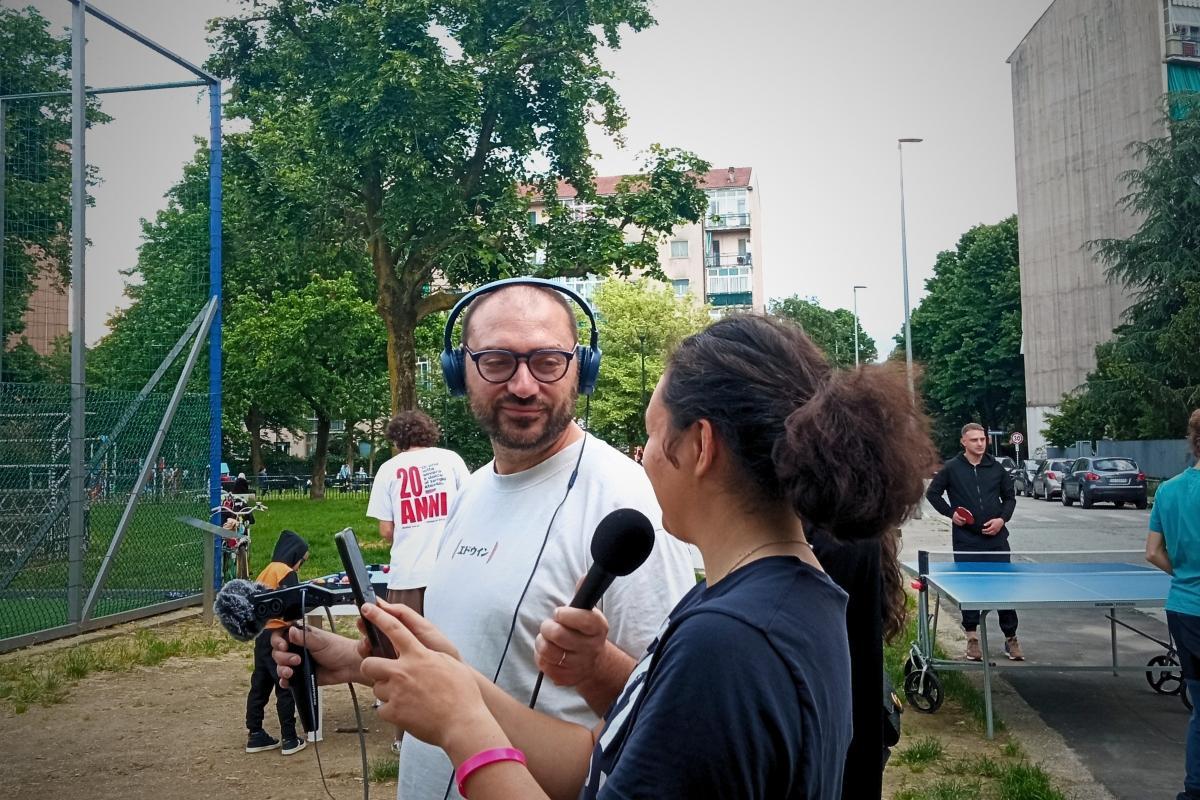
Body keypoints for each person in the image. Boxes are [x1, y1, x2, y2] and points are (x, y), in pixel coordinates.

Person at [276, 314, 936, 799]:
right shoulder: (777, 598)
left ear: (699, 446)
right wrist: (452, 678)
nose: (643, 456)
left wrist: (462, 729)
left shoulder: (728, 642)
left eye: (651, 434)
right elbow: (606, 760)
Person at [274, 278, 695, 798]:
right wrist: (357, 662)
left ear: (581, 369)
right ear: (459, 371)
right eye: (497, 361)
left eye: (547, 361)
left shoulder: (626, 505)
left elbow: (668, 717)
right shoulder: (469, 491)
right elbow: (459, 677)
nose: (523, 385)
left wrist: (597, 664)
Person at [367, 409, 470, 753]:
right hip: (452, 571)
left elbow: (385, 529)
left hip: (408, 574)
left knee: (404, 655)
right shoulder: (452, 460)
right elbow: (470, 509)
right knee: (454, 649)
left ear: (396, 439)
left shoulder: (388, 470)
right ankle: (466, 725)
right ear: (429, 433)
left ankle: (405, 739)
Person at [926, 422, 1022, 661]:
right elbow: (932, 494)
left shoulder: (996, 468)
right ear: (964, 442)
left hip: (997, 541)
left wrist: (1001, 520)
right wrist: (951, 514)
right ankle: (972, 639)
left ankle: (1011, 638)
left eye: (982, 439)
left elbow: (1010, 498)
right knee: (969, 589)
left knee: (1003, 590)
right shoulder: (952, 468)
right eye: (974, 440)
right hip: (966, 540)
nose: (980, 443)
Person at [1146, 408, 1200, 800]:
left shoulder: (1168, 489)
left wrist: (1184, 575)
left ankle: (1193, 790)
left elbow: (1152, 553)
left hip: (1183, 608)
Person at [244, 529, 309, 756]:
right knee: (285, 684)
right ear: (295, 555)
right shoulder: (286, 571)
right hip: (278, 635)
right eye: (302, 560)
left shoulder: (266, 570)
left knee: (259, 684)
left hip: (261, 634)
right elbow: (292, 606)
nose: (300, 566)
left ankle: (255, 733)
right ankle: (290, 738)